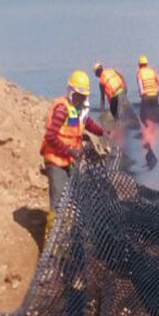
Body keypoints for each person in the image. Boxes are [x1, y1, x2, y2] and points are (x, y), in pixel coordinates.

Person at [39, 70, 104, 241]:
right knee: (58, 201)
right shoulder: (62, 109)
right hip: (55, 159)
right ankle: (50, 242)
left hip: (68, 160)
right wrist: (70, 151)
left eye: (84, 96)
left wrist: (104, 131)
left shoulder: (75, 110)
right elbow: (50, 136)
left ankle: (67, 235)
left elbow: (85, 124)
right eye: (79, 96)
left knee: (74, 198)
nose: (82, 99)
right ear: (71, 92)